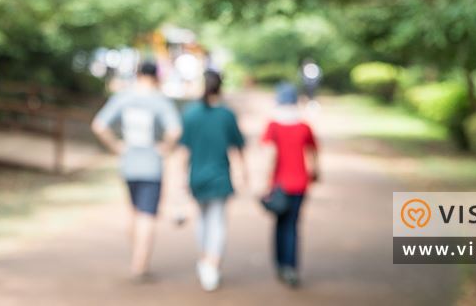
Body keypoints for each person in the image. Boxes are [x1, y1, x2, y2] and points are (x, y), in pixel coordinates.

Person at [91, 59, 182, 282]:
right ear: (156, 76)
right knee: (147, 214)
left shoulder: (124, 97)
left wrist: (117, 147)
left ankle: (136, 256)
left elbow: (99, 125)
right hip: (151, 165)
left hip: (128, 164)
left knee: (133, 211)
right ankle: (140, 264)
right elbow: (175, 130)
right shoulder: (160, 101)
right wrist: (165, 148)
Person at [177, 69, 249, 292]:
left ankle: (205, 260)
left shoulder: (191, 114)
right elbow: (238, 147)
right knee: (216, 222)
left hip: (197, 176)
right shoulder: (226, 115)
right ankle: (211, 263)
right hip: (219, 177)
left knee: (202, 219)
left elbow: (183, 150)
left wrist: (181, 177)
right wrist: (244, 173)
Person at [262, 82, 319, 288]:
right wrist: (316, 174)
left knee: (279, 224)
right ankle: (291, 266)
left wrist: (265, 183)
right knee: (293, 226)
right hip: (300, 184)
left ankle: (279, 264)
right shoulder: (304, 126)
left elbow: (270, 155)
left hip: (279, 185)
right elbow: (312, 154)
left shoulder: (273, 125)